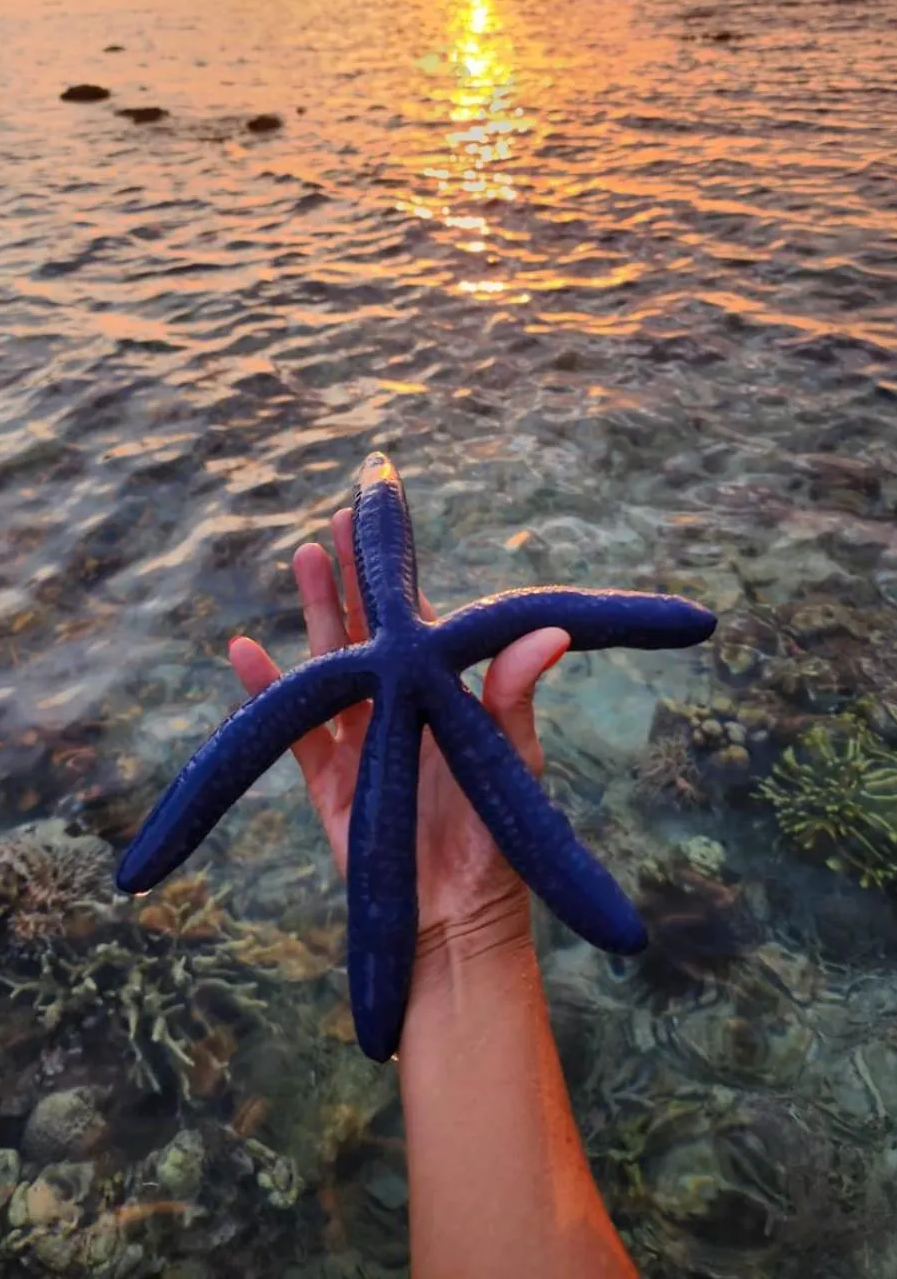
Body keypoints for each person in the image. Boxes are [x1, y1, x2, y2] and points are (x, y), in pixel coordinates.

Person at [229, 506, 641, 1279]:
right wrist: (466, 933)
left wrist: (470, 927)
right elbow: (573, 610)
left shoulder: (374, 673)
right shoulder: (424, 658)